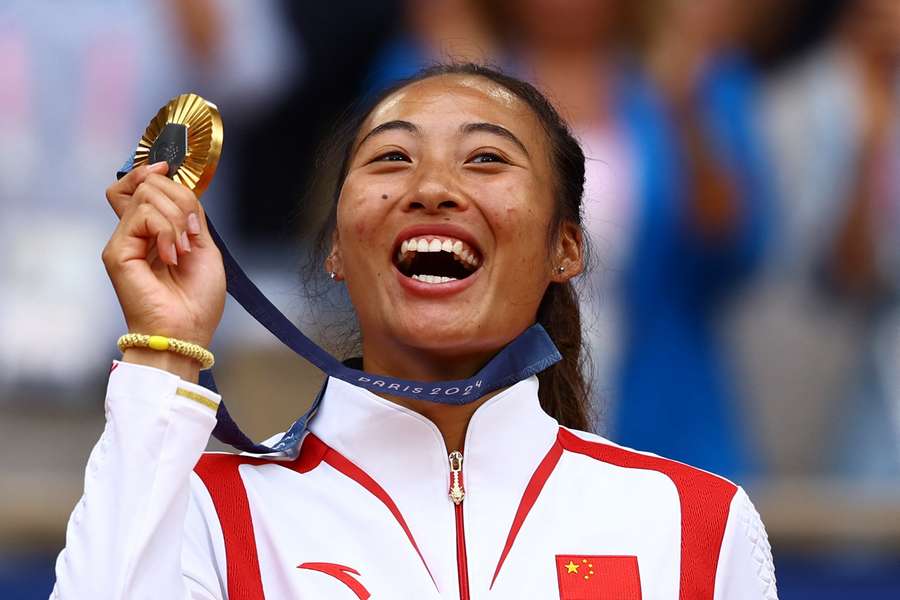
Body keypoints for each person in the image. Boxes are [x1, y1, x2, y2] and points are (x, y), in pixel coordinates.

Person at [51, 64, 776, 599]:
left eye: (487, 159)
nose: (431, 188)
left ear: (567, 247)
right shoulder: (209, 508)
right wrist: (161, 350)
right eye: (392, 159)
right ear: (337, 246)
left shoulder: (694, 525)